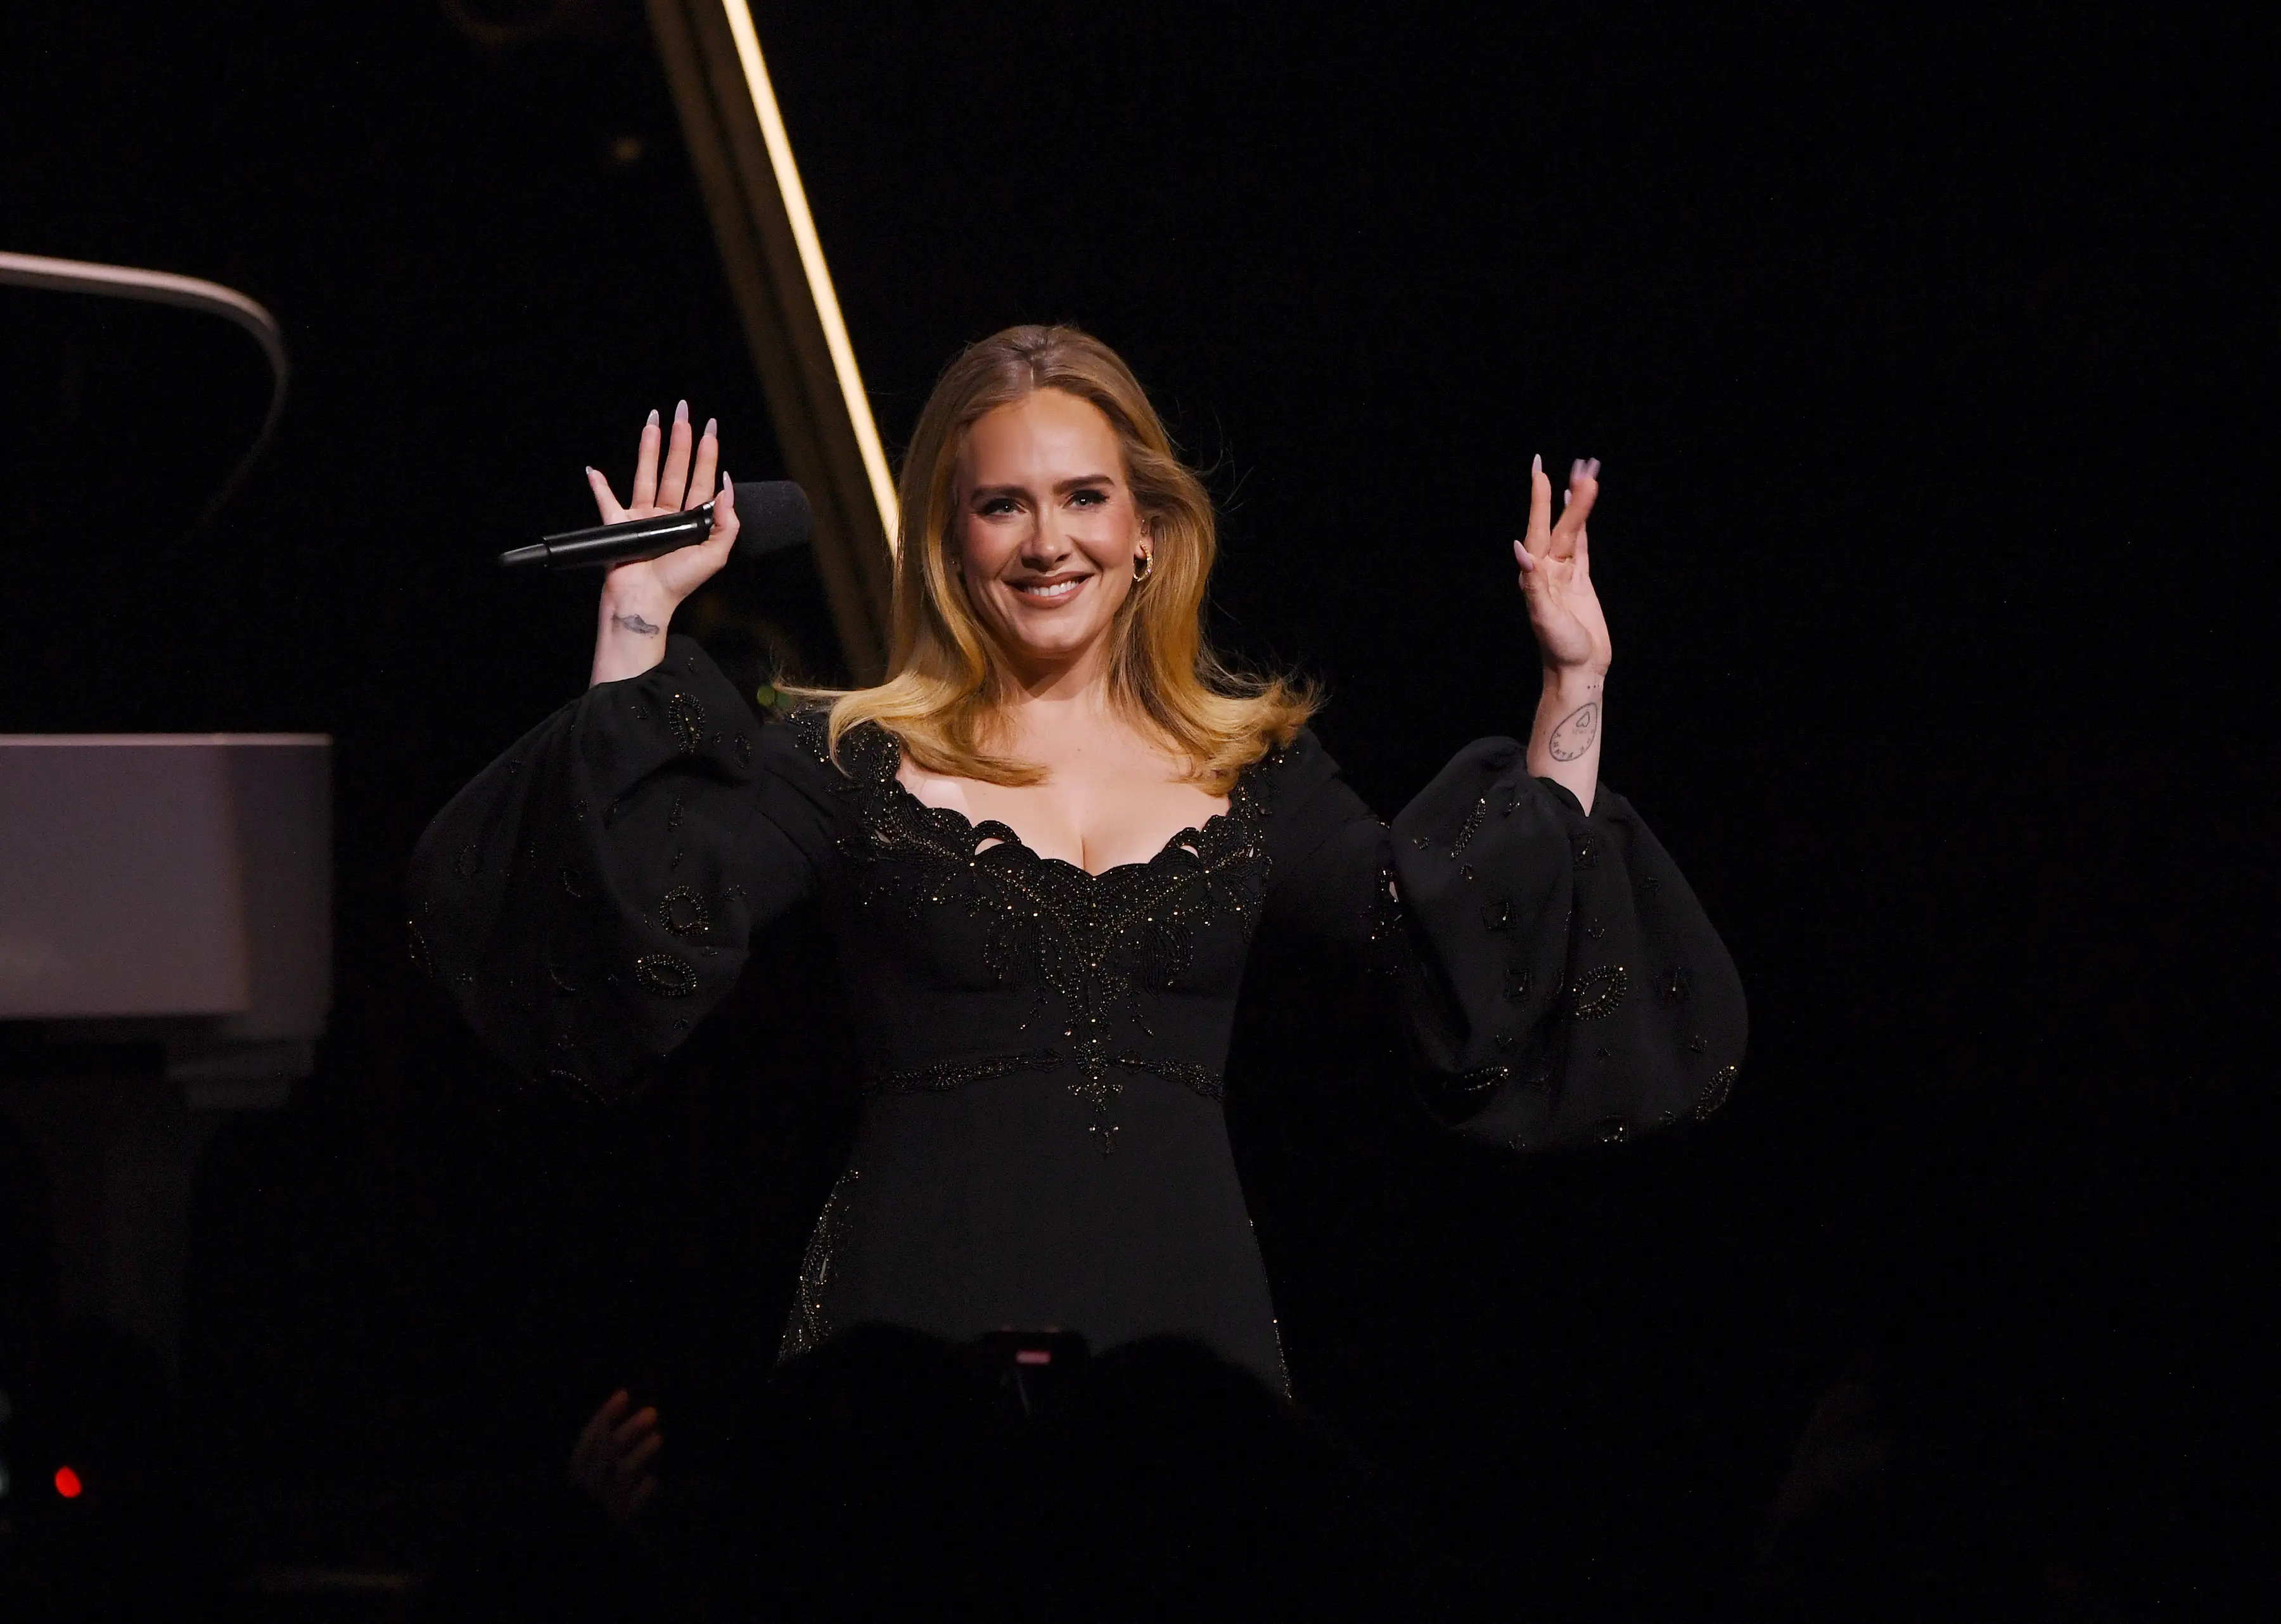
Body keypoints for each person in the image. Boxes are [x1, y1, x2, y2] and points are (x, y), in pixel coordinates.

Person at [409, 324, 1746, 1397]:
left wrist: (1575, 680)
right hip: (909, 1332)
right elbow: (634, 930)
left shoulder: (1259, 768)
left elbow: (1484, 931)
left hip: (1184, 1336)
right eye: (1002, 505)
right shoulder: (848, 759)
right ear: (951, 542)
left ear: (1145, 528)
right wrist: (636, 621)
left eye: (1083, 497)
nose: (1049, 542)